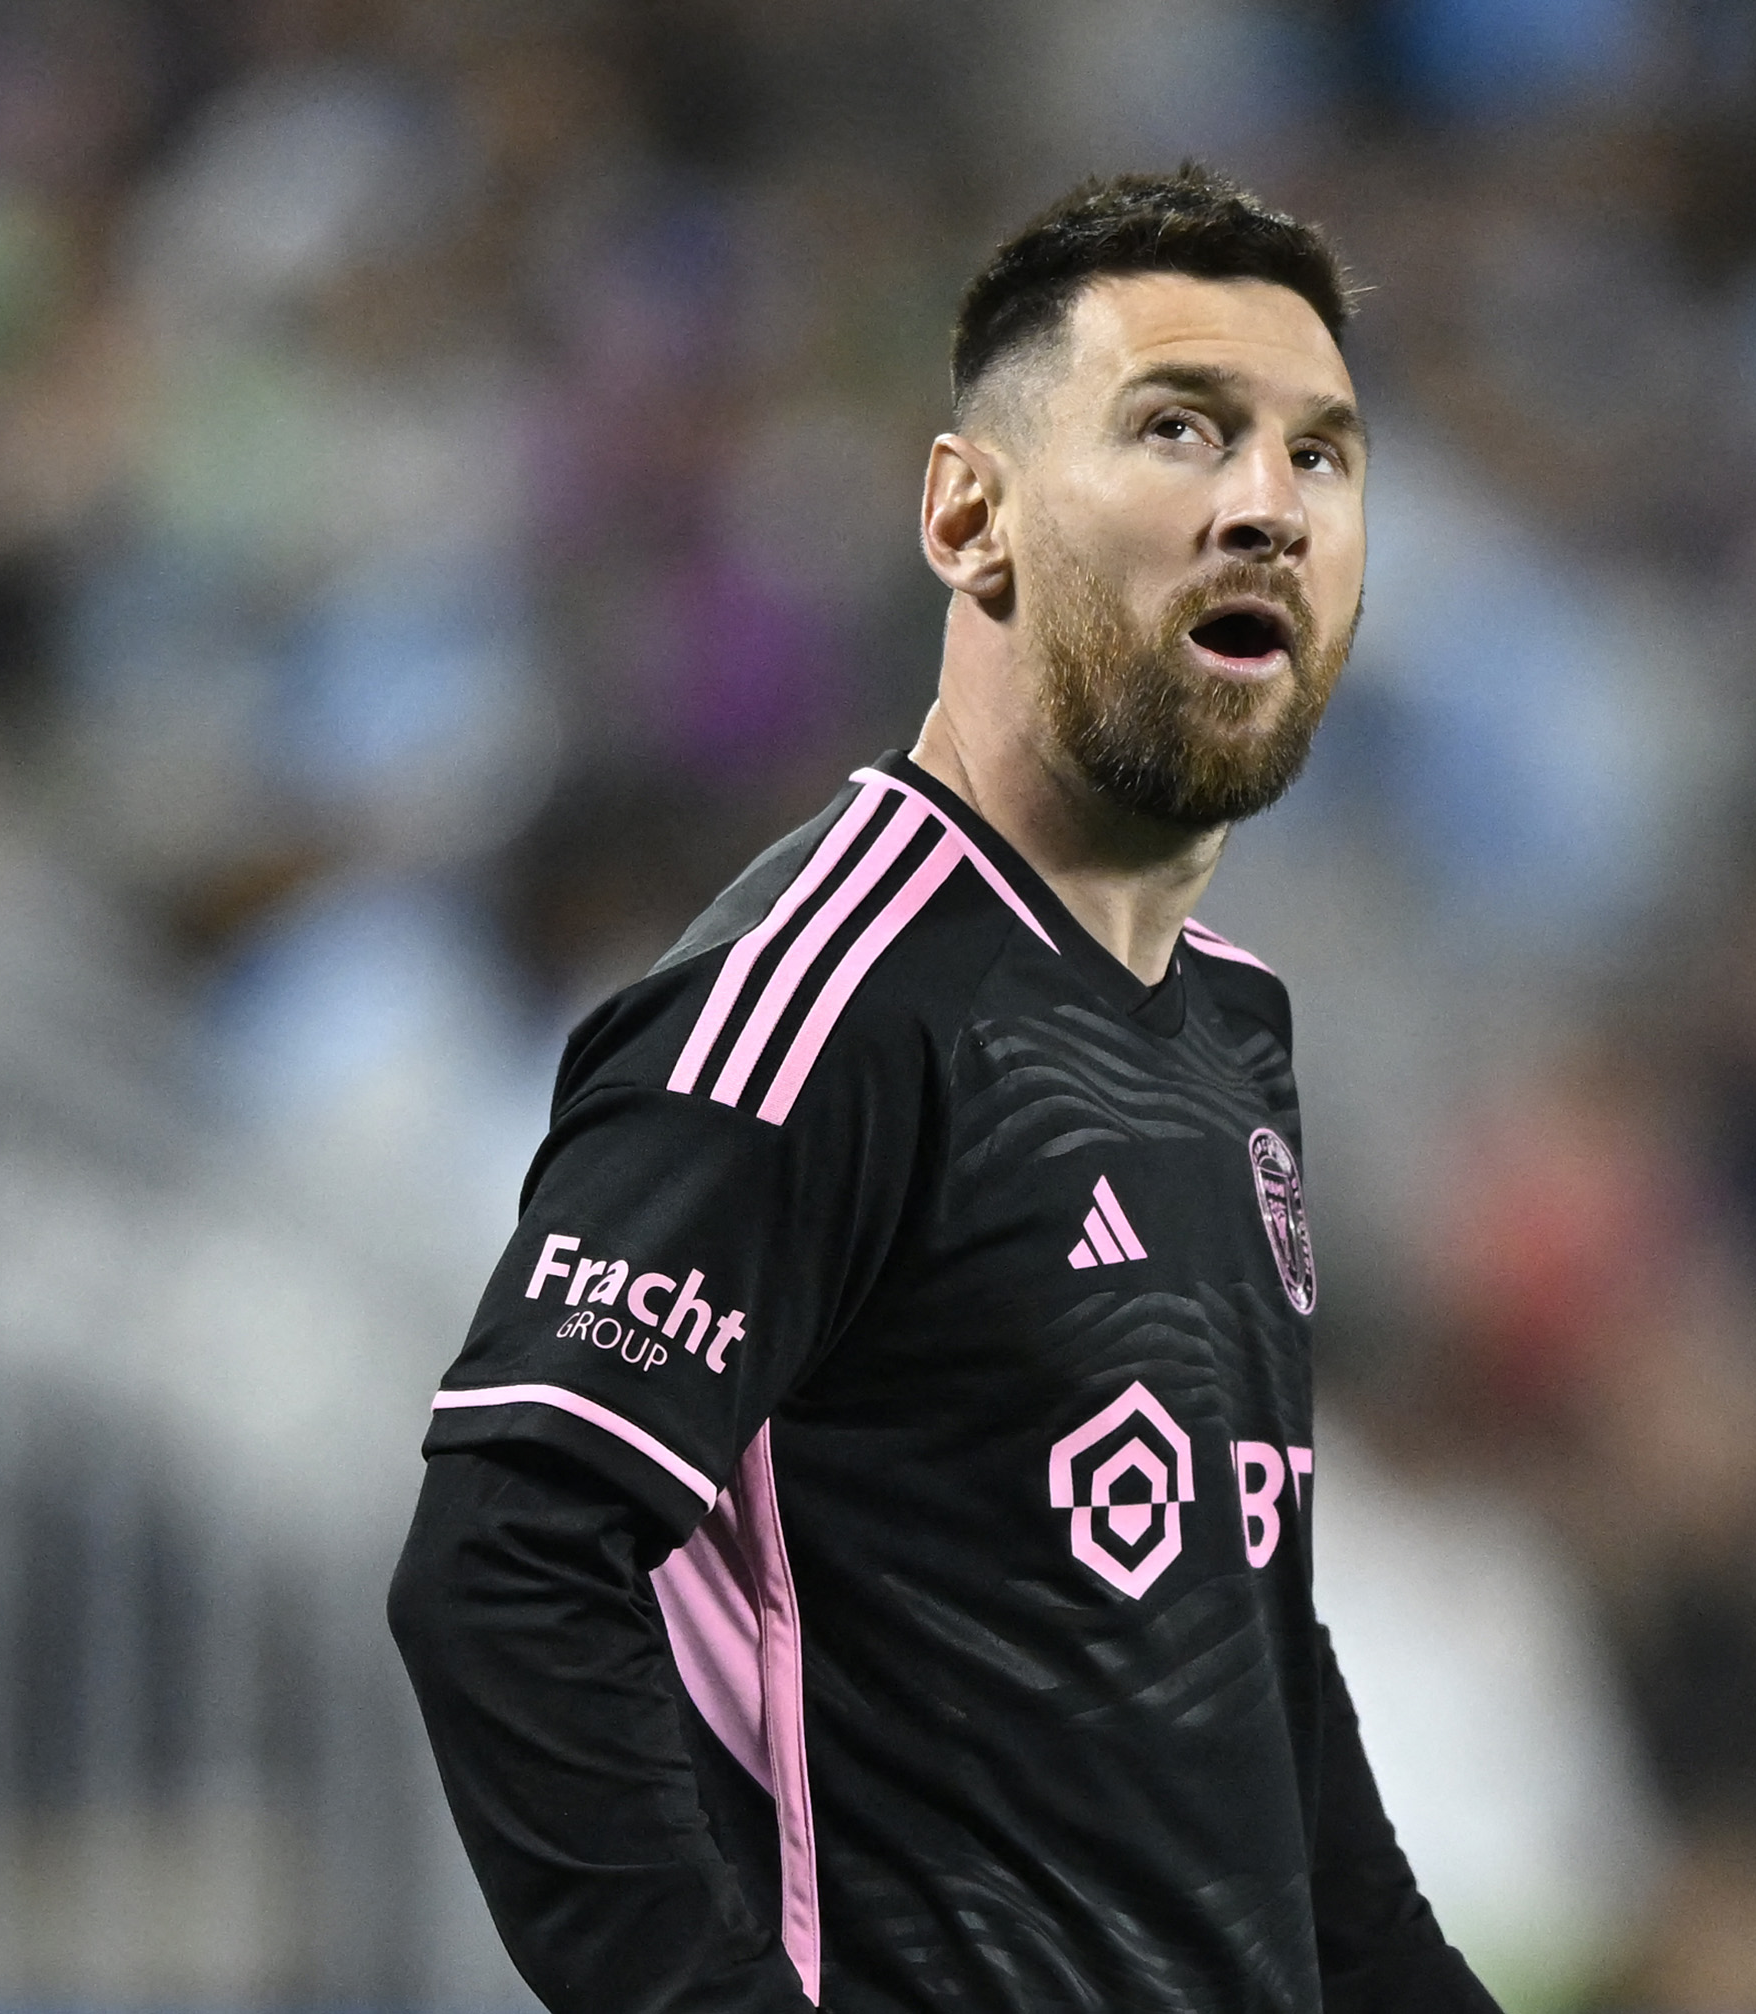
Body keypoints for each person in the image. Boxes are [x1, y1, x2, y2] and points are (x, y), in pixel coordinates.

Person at [389, 165, 1504, 2014]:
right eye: (1178, 429)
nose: (1265, 507)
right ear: (967, 515)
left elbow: (1254, 1686)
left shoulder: (1229, 1033)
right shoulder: (819, 1000)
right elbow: (505, 1574)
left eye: (1321, 455)